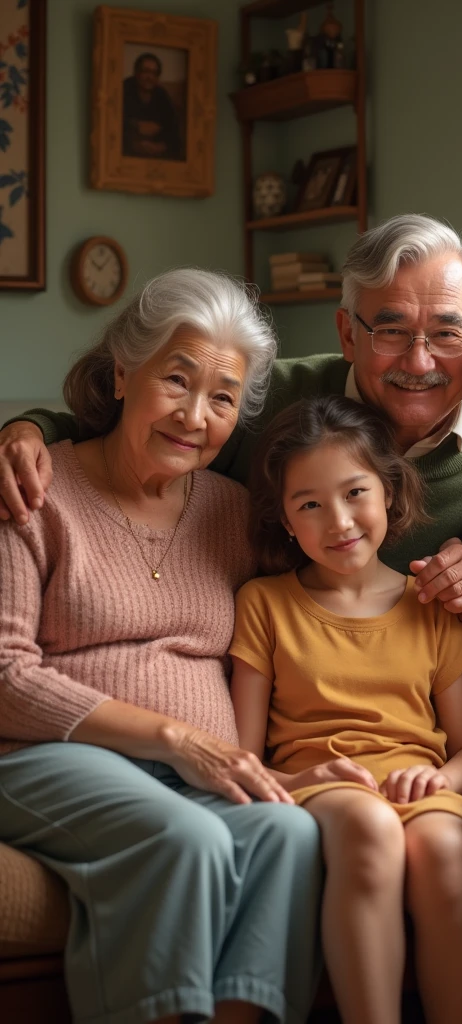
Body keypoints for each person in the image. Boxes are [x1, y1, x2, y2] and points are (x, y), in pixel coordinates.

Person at [0, 269, 322, 1024]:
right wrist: (174, 738)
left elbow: (318, 610)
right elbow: (6, 676)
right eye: (176, 380)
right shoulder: (34, 493)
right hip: (42, 758)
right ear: (121, 373)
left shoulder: (237, 512)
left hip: (192, 765)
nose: (195, 415)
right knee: (187, 840)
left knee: (286, 831)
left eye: (223, 397)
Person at [0, 215, 462, 622]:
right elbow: (124, 427)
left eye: (446, 333)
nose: (419, 361)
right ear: (347, 334)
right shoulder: (260, 397)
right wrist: (29, 430)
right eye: (390, 331)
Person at [229, 395, 462, 1024]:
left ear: (390, 495)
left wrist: (439, 778)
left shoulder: (427, 603)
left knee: (446, 850)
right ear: (287, 522)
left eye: (354, 493)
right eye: (309, 505)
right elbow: (243, 756)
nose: (338, 521)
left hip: (421, 788)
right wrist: (301, 781)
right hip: (322, 786)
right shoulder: (264, 605)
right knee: (371, 826)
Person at [122, 52, 183, 160]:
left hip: (156, 153)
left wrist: (163, 146)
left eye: (154, 73)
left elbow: (172, 126)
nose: (150, 77)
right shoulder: (124, 89)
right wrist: (136, 125)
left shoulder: (161, 94)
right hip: (129, 150)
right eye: (146, 71)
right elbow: (114, 121)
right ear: (136, 72)